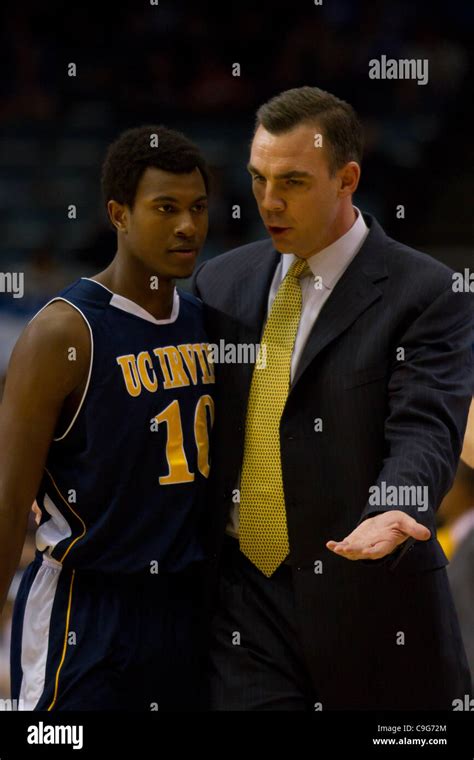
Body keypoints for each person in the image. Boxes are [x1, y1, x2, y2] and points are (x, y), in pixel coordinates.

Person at [192, 86, 473, 710]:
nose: (268, 201)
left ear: (347, 179)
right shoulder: (220, 281)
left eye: (292, 181)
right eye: (259, 179)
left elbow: (426, 426)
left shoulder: (425, 291)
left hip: (373, 600)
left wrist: (397, 504)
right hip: (245, 603)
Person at [0, 125, 215, 710]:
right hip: (86, 607)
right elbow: (5, 503)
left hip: (185, 606)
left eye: (198, 208)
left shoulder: (204, 322)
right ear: (119, 214)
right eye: (165, 208)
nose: (188, 226)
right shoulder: (63, 333)